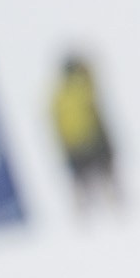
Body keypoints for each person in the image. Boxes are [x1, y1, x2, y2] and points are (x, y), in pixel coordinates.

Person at [49, 51, 123, 215]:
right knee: (106, 181)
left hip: (73, 147)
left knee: (84, 186)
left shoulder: (58, 95)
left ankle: (86, 214)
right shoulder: (81, 86)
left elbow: (54, 122)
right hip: (93, 140)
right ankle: (114, 209)